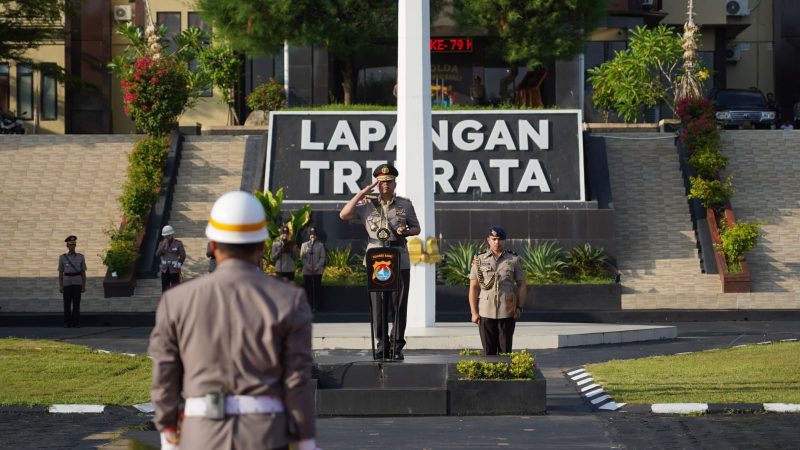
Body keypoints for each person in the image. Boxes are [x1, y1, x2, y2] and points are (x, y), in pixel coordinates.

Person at [149, 191, 319, 450]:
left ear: (213, 245)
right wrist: (306, 441)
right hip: (265, 435)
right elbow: (297, 380)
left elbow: (165, 375)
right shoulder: (289, 298)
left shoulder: (176, 300)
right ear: (262, 245)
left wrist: (168, 432)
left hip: (200, 435)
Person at [339, 163, 420, 360]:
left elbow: (416, 228)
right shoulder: (366, 203)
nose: (385, 185)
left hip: (398, 255)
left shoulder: (404, 204)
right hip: (376, 257)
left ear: (394, 183)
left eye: (389, 181)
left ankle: (397, 344)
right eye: (381, 182)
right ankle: (382, 343)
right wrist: (363, 192)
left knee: (399, 303)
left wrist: (407, 231)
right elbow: (344, 214)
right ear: (377, 183)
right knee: (378, 304)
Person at [468, 226, 527, 356]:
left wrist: (519, 308)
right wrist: (474, 312)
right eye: (493, 239)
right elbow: (473, 287)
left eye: (499, 239)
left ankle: (505, 376)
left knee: (505, 351)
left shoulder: (513, 260)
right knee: (488, 352)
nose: (496, 242)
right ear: (488, 240)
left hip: (507, 311)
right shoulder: (479, 259)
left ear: (504, 241)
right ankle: (491, 377)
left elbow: (521, 285)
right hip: (485, 312)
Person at [58, 235, 86, 328]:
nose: (72, 247)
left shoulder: (81, 257)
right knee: (67, 304)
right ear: (67, 246)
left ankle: (76, 322)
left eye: (74, 245)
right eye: (70, 245)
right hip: (67, 283)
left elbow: (83, 273)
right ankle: (67, 323)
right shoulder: (62, 258)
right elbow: (60, 273)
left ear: (75, 246)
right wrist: (61, 286)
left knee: (76, 304)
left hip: (77, 282)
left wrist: (83, 286)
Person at [300, 227, 326, 312]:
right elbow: (302, 257)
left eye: (314, 234)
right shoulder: (304, 245)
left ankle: (316, 306)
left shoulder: (320, 245)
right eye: (311, 234)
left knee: (317, 289)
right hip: (307, 271)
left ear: (316, 236)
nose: (312, 236)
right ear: (309, 235)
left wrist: (317, 267)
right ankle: (308, 306)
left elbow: (322, 258)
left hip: (317, 271)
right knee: (308, 289)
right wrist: (308, 266)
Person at [156, 225, 186, 292]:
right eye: (165, 236)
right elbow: (157, 254)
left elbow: (183, 255)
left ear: (172, 234)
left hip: (174, 269)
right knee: (165, 289)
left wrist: (179, 263)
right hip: (165, 270)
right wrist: (163, 245)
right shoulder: (161, 243)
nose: (167, 237)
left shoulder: (178, 243)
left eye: (168, 235)